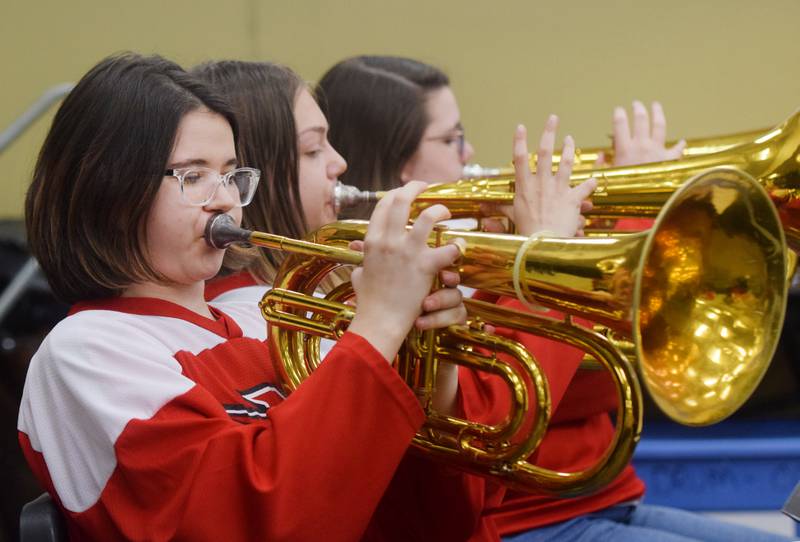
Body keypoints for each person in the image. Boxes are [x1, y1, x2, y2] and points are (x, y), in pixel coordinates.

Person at [317, 55, 790, 542]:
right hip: (519, 522)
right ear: (397, 165)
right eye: (450, 139)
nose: (471, 150)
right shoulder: (392, 273)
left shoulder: (476, 235)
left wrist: (582, 239)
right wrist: (554, 250)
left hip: (599, 499)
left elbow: (604, 384)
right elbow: (507, 412)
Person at [16, 53, 483, 541]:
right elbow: (250, 521)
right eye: (193, 177)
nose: (225, 199)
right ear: (110, 193)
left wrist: (431, 373)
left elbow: (430, 523)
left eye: (231, 175)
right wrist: (379, 323)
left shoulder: (264, 320)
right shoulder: (86, 351)